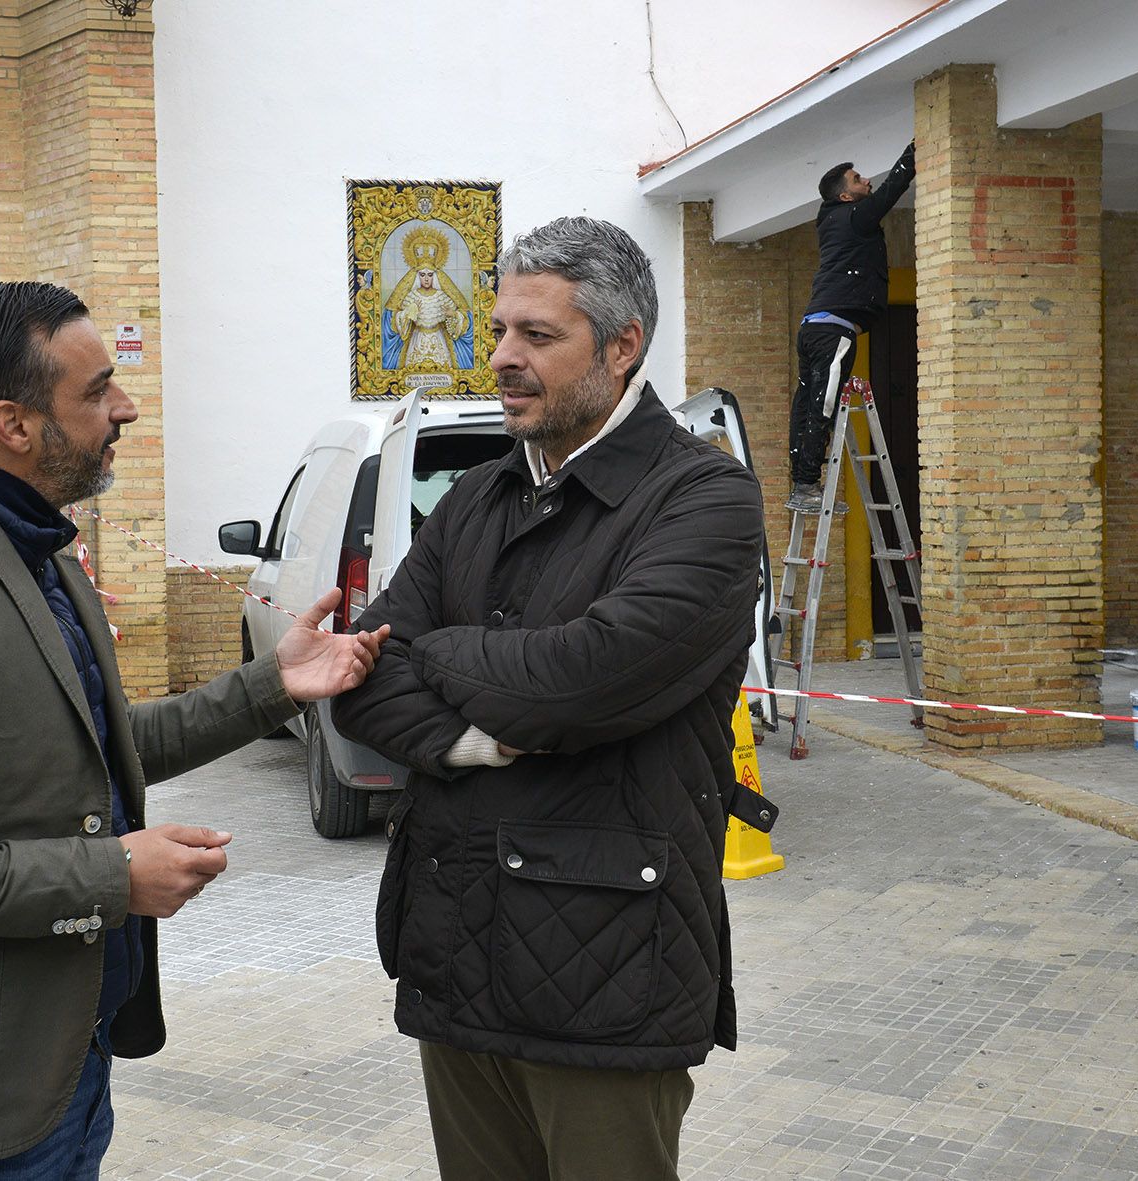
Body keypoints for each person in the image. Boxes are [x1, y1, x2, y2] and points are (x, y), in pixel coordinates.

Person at [0, 280, 388, 1177]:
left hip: (62, 1066)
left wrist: (274, 685)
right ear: (13, 424)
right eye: (97, 389)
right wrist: (112, 875)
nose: (125, 407)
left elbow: (94, 745)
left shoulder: (37, 549)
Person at [334, 217, 773, 1181]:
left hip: (608, 969)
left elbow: (590, 678)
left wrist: (439, 650)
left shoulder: (704, 499)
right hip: (454, 951)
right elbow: (361, 683)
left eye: (537, 336)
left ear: (622, 348)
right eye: (498, 331)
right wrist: (480, 741)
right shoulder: (478, 496)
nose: (501, 359)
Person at [786, 141, 916, 514]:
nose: (866, 181)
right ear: (846, 195)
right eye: (858, 179)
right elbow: (892, 190)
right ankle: (807, 485)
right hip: (833, 333)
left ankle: (801, 479)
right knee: (822, 405)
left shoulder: (829, 220)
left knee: (806, 401)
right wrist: (913, 153)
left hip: (813, 327)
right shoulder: (854, 216)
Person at [392, 267, 468, 368]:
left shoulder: (441, 296)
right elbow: (400, 318)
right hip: (417, 339)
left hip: (438, 339)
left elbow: (456, 318)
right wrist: (409, 311)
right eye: (423, 275)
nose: (426, 279)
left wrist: (453, 314)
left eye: (430, 275)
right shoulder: (412, 295)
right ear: (418, 276)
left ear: (434, 276)